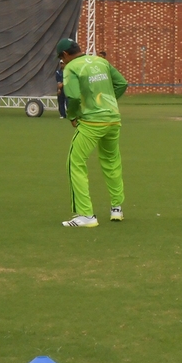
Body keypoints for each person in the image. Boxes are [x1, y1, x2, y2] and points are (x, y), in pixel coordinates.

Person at [56, 38, 128, 227]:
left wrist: (73, 115)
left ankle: (86, 215)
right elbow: (122, 84)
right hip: (113, 119)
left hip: (92, 122)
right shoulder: (101, 61)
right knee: (112, 161)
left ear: (65, 55)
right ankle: (116, 208)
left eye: (61, 59)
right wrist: (108, 102)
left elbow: (71, 96)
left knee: (75, 162)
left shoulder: (71, 68)